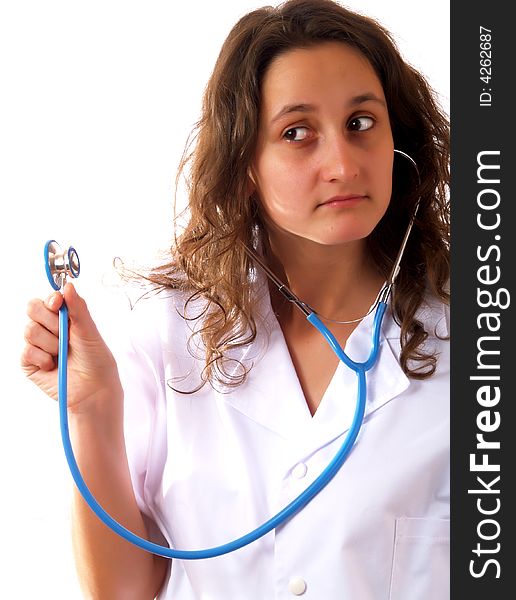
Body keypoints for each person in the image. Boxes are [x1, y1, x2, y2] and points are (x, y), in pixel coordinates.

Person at [21, 0, 450, 598]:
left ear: (396, 139)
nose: (342, 164)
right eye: (297, 133)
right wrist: (90, 409)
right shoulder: (167, 327)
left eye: (361, 123)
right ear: (244, 160)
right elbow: (121, 589)